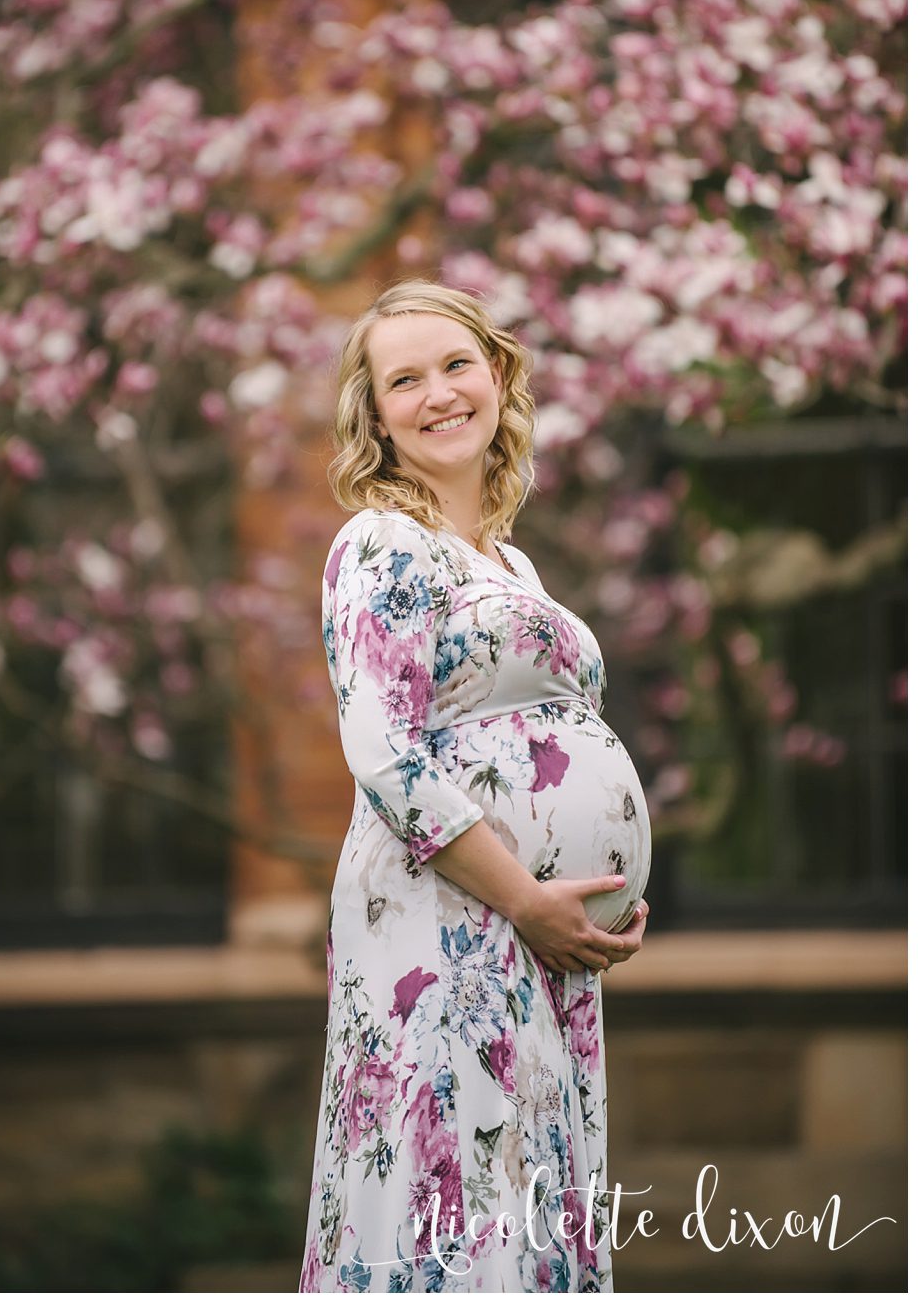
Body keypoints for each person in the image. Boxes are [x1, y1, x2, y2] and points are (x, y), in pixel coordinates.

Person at [300, 280, 652, 1292]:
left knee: (523, 1184)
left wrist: (590, 887)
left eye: (454, 364)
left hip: (530, 934)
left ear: (497, 376)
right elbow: (380, 751)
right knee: (451, 1186)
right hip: (445, 918)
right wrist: (525, 897)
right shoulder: (378, 541)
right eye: (401, 379)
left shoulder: (508, 561)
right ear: (375, 416)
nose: (437, 393)